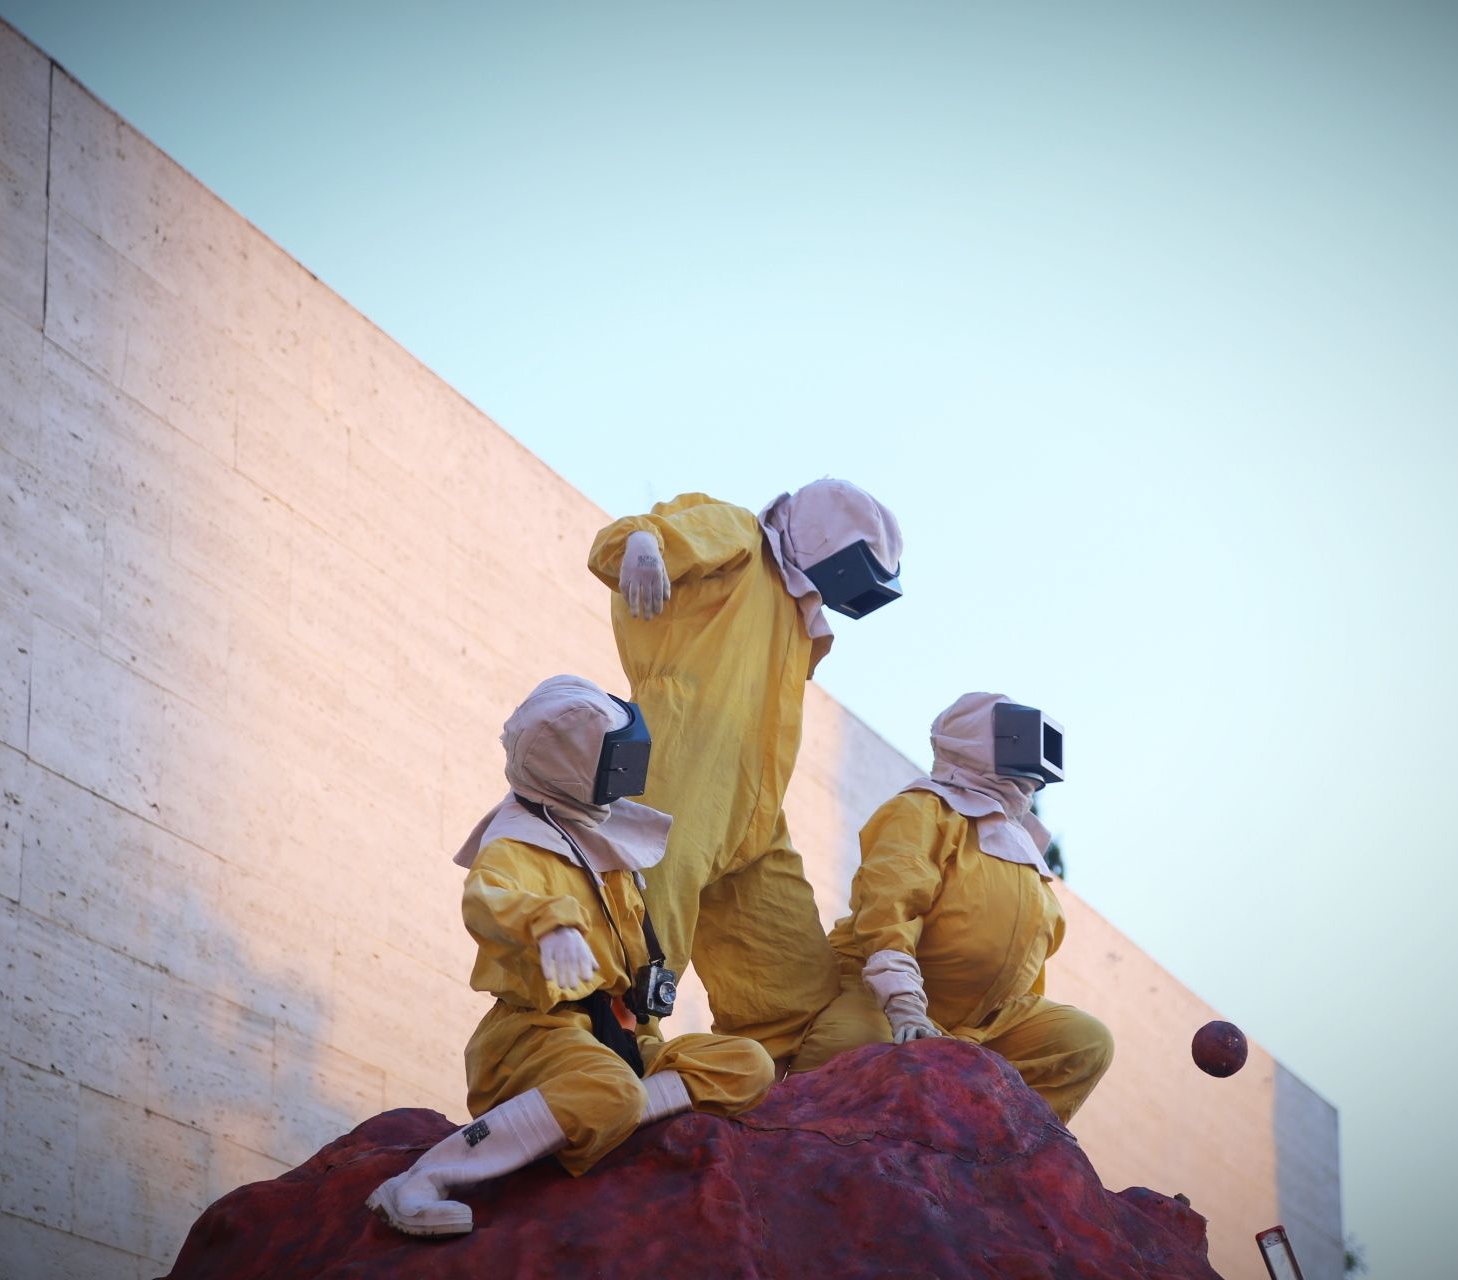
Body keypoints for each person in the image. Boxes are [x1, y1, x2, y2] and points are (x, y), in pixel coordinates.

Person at [367, 676, 773, 1236]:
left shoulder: (595, 833)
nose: (628, 768)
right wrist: (548, 925)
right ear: (572, 767)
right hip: (537, 1037)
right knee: (606, 1090)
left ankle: (616, 1112)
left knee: (748, 1063)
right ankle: (422, 1180)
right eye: (616, 757)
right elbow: (489, 901)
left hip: (624, 1034)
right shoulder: (515, 842)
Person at [586, 481, 903, 1065]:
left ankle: (785, 1092)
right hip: (680, 773)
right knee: (645, 926)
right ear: (826, 540)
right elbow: (636, 538)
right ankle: (610, 1060)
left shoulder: (794, 610)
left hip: (753, 816)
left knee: (798, 991)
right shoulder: (740, 536)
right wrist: (638, 546)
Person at [792, 692, 1113, 1125]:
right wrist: (903, 1003)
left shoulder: (1024, 846)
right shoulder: (924, 810)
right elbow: (888, 907)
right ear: (980, 742)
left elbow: (1026, 962)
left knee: (1083, 1041)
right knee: (849, 1052)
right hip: (882, 1001)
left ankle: (997, 1155)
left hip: (984, 1027)